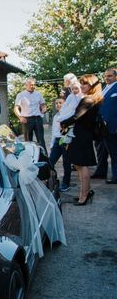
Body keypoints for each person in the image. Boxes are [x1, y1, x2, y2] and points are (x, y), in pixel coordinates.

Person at [60, 74, 104, 206]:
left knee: (82, 165)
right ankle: (84, 193)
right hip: (82, 133)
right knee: (79, 165)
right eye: (81, 83)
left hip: (82, 135)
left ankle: (84, 195)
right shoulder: (91, 99)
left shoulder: (88, 100)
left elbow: (76, 116)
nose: (82, 86)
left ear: (92, 85)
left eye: (85, 83)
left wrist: (63, 123)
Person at [95, 67, 117, 183]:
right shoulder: (104, 88)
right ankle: (100, 172)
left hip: (112, 126)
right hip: (101, 126)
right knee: (101, 150)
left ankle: (116, 176)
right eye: (105, 76)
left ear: (115, 76)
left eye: (110, 76)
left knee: (114, 152)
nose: (107, 78)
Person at [13, 78, 47, 151]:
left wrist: (44, 109)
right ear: (26, 85)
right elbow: (16, 108)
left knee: (41, 140)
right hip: (26, 120)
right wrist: (20, 117)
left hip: (38, 119)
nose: (32, 86)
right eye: (31, 85)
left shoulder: (38, 94)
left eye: (34, 85)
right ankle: (30, 158)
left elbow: (43, 105)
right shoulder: (21, 95)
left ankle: (45, 159)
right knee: (28, 141)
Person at [49, 97, 73, 191]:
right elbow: (54, 132)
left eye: (60, 103)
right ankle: (52, 180)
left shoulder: (69, 115)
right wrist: (52, 145)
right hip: (57, 141)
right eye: (56, 103)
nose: (58, 105)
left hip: (65, 141)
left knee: (66, 163)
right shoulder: (56, 116)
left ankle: (66, 183)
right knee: (50, 162)